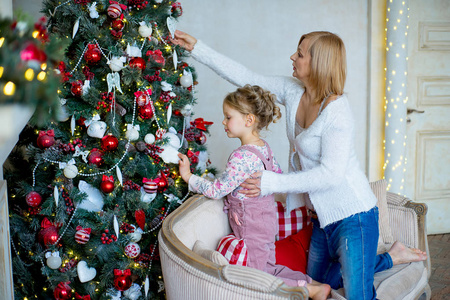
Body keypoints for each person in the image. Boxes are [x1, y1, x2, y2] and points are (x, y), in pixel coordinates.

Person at [172, 30, 427, 300]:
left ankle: (386, 260)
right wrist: (197, 48)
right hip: (321, 218)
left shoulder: (337, 112)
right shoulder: (293, 91)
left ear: (319, 63)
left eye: (301, 53)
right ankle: (391, 257)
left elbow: (330, 175)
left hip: (354, 217)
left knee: (357, 295)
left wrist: (270, 181)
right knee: (321, 283)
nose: (292, 57)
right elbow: (247, 78)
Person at [178, 85, 331, 300]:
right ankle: (308, 282)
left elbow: (216, 190)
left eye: (228, 116)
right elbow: (277, 176)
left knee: (258, 276)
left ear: (248, 120)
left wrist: (188, 177)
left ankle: (308, 290)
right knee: (268, 267)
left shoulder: (241, 156)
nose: (223, 122)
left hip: (252, 227)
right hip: (266, 223)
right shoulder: (264, 148)